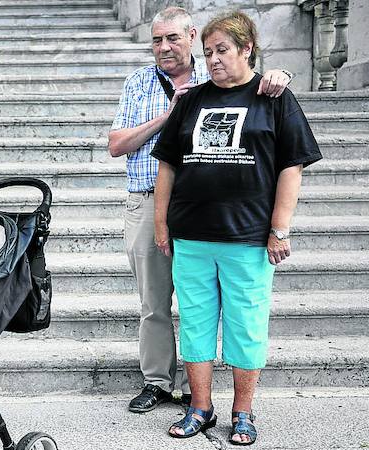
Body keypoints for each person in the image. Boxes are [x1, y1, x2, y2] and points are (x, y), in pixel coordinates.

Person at [108, 7, 293, 414]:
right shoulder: (139, 82)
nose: (164, 47)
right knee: (155, 302)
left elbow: (252, 85)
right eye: (156, 40)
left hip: (212, 213)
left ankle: (208, 394)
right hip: (148, 200)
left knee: (216, 308)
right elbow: (117, 143)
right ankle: (158, 381)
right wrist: (169, 116)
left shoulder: (215, 76)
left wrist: (281, 75)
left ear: (191, 36)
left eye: (172, 38)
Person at [151, 11, 321, 445]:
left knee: (246, 325)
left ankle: (242, 412)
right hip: (191, 234)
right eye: (207, 52)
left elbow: (292, 167)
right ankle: (200, 408)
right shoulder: (190, 101)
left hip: (247, 237)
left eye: (222, 50)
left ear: (247, 49)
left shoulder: (273, 97)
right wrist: (161, 225)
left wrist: (279, 229)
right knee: (195, 323)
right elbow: (168, 166)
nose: (213, 60)